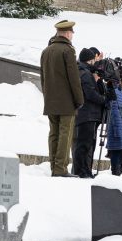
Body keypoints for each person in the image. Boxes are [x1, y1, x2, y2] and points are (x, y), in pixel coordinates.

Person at [40, 20, 84, 177]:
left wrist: (47, 97)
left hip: (50, 100)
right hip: (66, 101)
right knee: (65, 133)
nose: (72, 35)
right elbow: (74, 79)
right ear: (67, 33)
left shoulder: (46, 51)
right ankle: (61, 168)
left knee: (54, 133)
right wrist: (79, 99)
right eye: (71, 32)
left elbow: (43, 78)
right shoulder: (68, 51)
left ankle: (54, 166)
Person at [72, 48, 107, 178]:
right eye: (93, 60)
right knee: (84, 145)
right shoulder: (85, 73)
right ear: (90, 60)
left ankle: (84, 170)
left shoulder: (82, 71)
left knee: (85, 144)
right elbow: (90, 94)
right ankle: (81, 171)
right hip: (87, 113)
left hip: (86, 113)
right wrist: (104, 100)